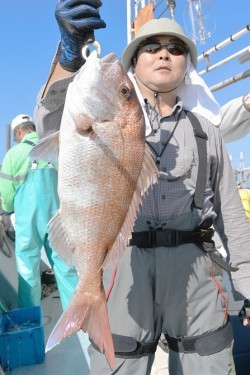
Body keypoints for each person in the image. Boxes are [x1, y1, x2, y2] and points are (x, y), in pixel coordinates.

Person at [34, 1, 250, 374]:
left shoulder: (207, 131)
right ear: (135, 63)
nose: (164, 53)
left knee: (211, 360)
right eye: (152, 47)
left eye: (175, 48)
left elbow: (231, 216)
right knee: (118, 364)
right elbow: (51, 121)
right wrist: (69, 59)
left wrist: (246, 286)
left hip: (196, 265)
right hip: (123, 263)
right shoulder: (103, 112)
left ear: (186, 65)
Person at [0, 114, 78, 310]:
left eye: (15, 135)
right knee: (66, 265)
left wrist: (9, 210)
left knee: (27, 267)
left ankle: (31, 319)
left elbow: (7, 196)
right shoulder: (56, 149)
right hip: (58, 218)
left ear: (18, 132)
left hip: (28, 220)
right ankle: (78, 315)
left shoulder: (13, 155)